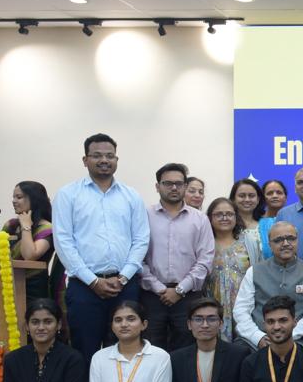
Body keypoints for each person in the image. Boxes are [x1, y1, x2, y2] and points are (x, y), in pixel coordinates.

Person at [52, 133, 151, 361]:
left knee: (126, 351)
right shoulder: (68, 195)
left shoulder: (131, 196)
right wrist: (93, 281)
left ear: (116, 160)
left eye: (109, 156)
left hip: (124, 286)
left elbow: (141, 239)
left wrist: (123, 277)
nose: (104, 160)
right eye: (97, 155)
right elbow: (63, 242)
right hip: (84, 287)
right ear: (85, 160)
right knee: (84, 352)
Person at [140, 163, 215, 351]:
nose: (174, 187)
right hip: (152, 297)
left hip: (188, 297)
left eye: (179, 183)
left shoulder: (200, 219)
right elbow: (137, 258)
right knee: (151, 350)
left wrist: (180, 290)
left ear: (185, 186)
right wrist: (159, 289)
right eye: (168, 183)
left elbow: (205, 260)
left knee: (186, 351)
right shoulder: (144, 216)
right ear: (157, 186)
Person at [232, 222, 303, 348]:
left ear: (297, 241)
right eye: (278, 240)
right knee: (238, 351)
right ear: (269, 244)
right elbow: (241, 310)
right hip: (258, 339)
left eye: (291, 238)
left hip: (296, 339)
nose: (286, 243)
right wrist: (258, 337)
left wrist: (288, 337)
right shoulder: (254, 272)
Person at [205, 198, 253, 342]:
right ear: (210, 218)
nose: (224, 218)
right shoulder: (204, 243)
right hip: (212, 307)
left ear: (236, 217)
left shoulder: (248, 241)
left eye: (229, 214)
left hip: (243, 307)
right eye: (219, 214)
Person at [3, 181, 56, 302]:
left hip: (33, 288)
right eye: (13, 197)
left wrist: (26, 227)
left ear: (34, 199)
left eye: (19, 197)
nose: (14, 201)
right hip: (7, 286)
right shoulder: (11, 225)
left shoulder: (46, 228)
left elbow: (29, 256)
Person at [230, 178, 274, 261]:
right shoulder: (227, 226)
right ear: (233, 199)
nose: (247, 199)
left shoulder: (270, 224)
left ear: (258, 200)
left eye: (251, 196)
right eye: (242, 196)